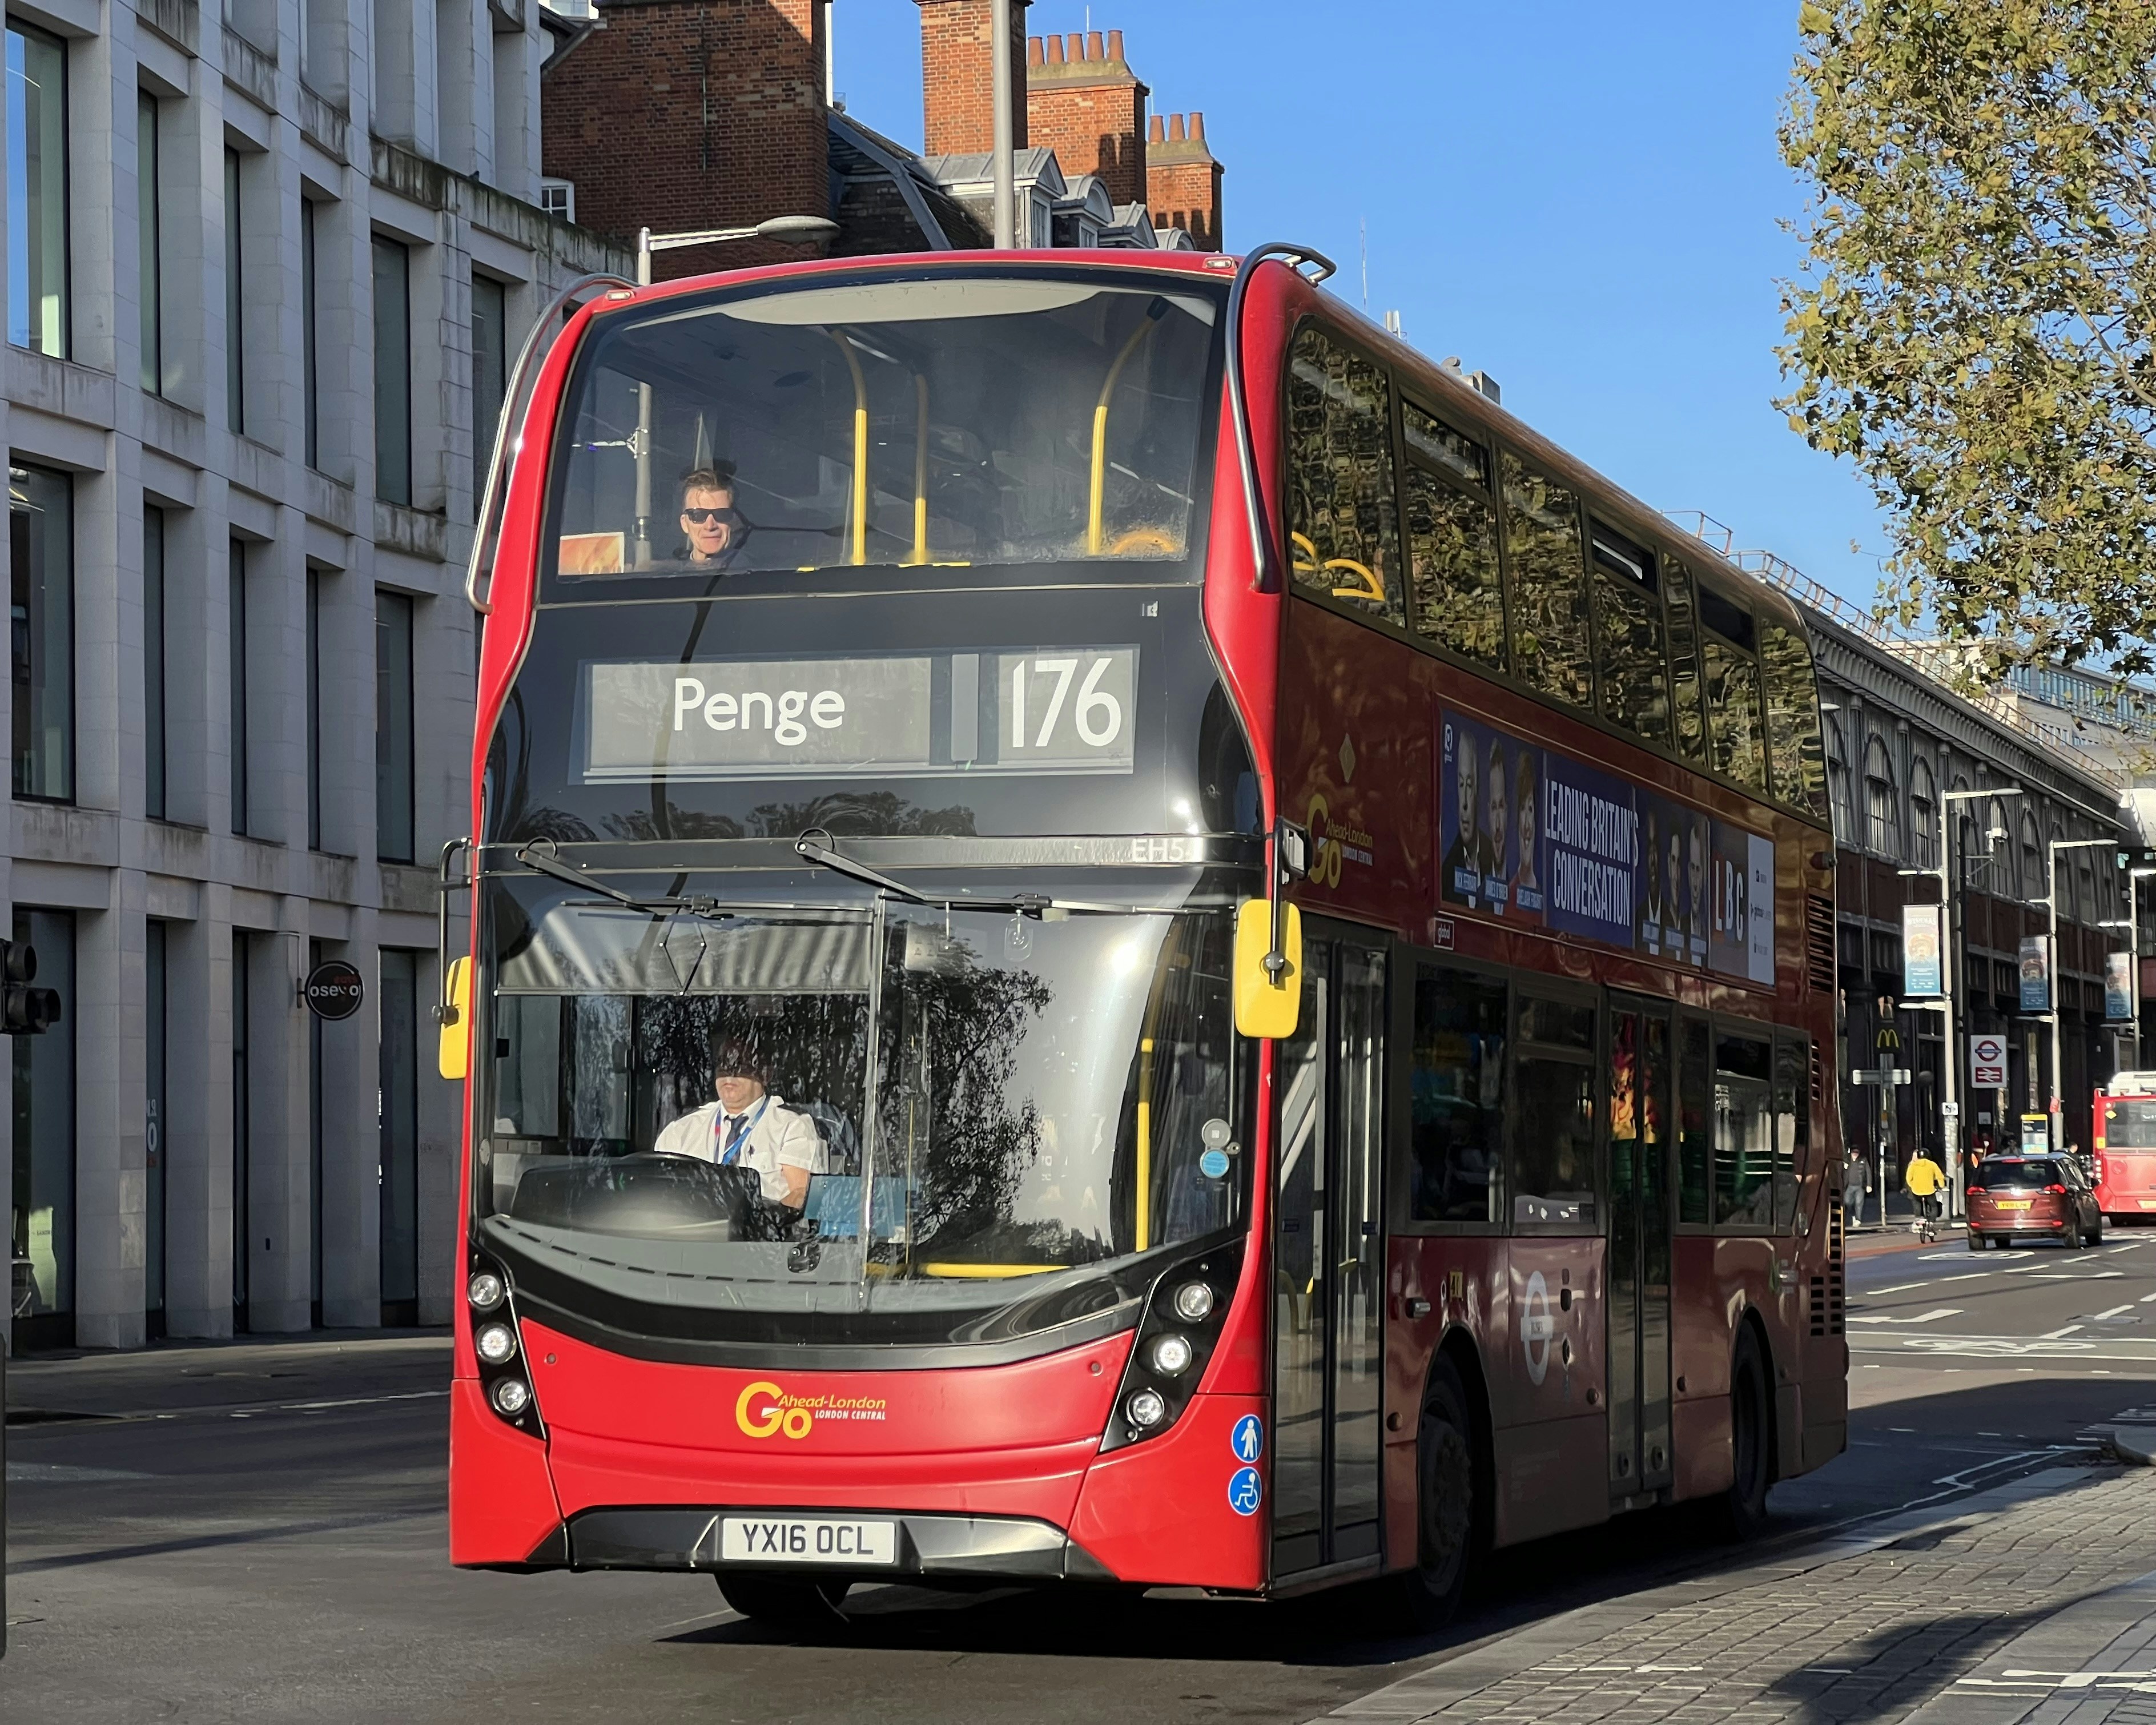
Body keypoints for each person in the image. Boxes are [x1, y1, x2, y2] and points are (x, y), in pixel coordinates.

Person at [652, 1031, 827, 1208]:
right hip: (692, 1232)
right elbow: (656, 1194)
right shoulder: (681, 1130)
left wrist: (760, 1220)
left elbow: (801, 1196)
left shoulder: (792, 1126)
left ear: (766, 1074)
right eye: (724, 1064)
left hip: (762, 1233)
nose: (730, 1074)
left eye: (741, 1065)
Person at [1441, 733, 1491, 904]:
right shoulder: (1446, 874)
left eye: (1470, 785)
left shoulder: (1493, 862)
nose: (1465, 803)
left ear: (1479, 791)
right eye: (1461, 785)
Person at [677, 465, 743, 567]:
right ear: (684, 523)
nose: (710, 526)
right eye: (698, 515)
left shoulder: (755, 576)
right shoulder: (671, 578)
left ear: (734, 520)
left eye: (722, 514)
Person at [1904, 1147, 1946, 1236]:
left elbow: (1908, 1178)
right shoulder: (1932, 1165)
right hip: (1929, 1191)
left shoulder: (1913, 1165)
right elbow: (1940, 1176)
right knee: (1934, 1206)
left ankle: (1919, 1218)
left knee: (1917, 1202)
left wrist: (1913, 1186)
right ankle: (1931, 1224)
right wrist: (1941, 1186)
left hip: (1917, 1191)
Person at [1844, 1153, 1871, 1228]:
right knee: (1847, 1202)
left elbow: (1868, 1172)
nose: (1855, 1155)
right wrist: (1843, 1166)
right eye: (1854, 1153)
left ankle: (1858, 1220)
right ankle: (1854, 1216)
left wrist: (1869, 1185)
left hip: (1860, 1186)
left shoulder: (1863, 1160)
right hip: (1850, 1186)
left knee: (1859, 1203)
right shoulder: (1847, 1160)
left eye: (1857, 1153)